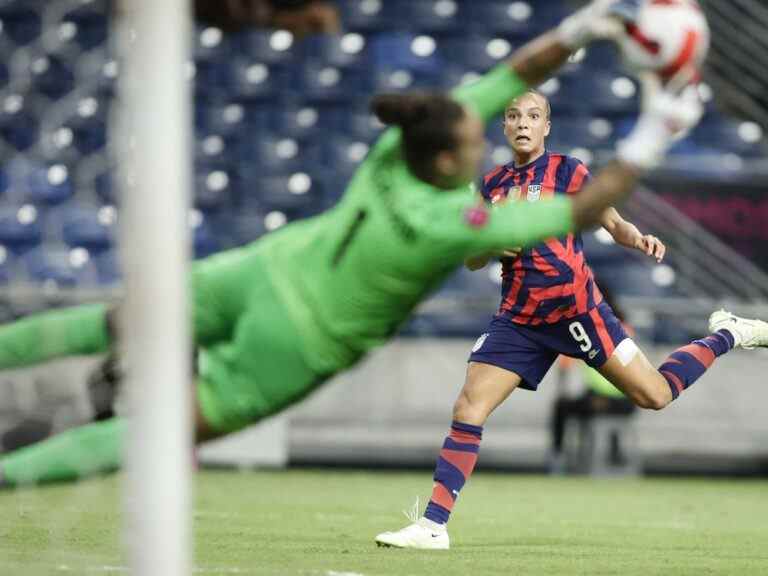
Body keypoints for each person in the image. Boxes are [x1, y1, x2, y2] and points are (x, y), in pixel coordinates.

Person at [0, 1, 721, 488]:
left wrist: (582, 28)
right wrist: (658, 125)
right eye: (475, 141)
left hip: (261, 270)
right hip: (299, 342)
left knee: (106, 322)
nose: (485, 142)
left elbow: (515, 79)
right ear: (446, 162)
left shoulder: (395, 147)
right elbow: (584, 206)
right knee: (158, 432)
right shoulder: (453, 225)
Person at [372, 57, 765, 553]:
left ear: (546, 126)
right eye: (513, 115)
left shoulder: (568, 170)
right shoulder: (489, 187)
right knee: (469, 405)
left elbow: (612, 221)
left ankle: (729, 332)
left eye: (531, 116)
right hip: (518, 319)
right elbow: (470, 258)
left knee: (656, 396)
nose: (521, 123)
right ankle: (432, 525)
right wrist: (491, 245)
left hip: (580, 312)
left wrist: (637, 237)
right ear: (504, 125)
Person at [548, 289, 637, 474]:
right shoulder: (626, 328)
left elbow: (564, 366)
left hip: (605, 399)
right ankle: (614, 451)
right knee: (581, 403)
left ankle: (558, 457)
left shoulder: (587, 330)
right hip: (629, 399)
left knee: (562, 406)